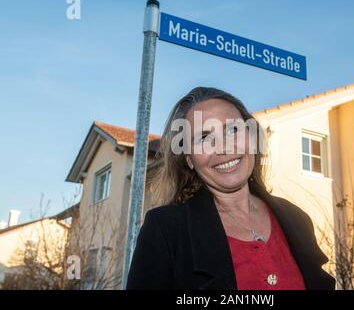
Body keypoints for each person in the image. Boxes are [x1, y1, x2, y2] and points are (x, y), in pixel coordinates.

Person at [126, 87, 335, 290]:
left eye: (233, 129)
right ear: (189, 158)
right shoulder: (165, 230)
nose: (225, 148)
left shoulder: (297, 219)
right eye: (204, 137)